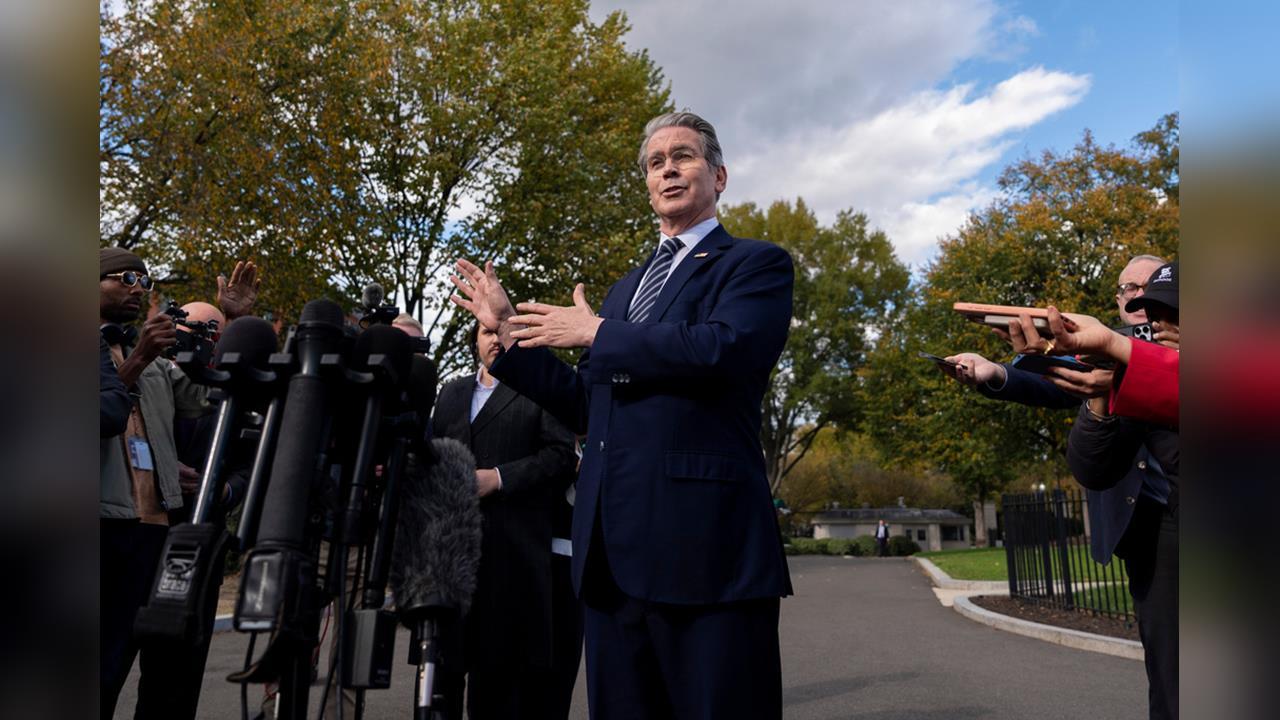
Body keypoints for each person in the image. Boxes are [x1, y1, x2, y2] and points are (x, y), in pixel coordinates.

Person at [450, 111, 793, 719]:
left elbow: (725, 348)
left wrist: (598, 331)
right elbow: (589, 404)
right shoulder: (624, 290)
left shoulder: (755, 264)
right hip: (610, 559)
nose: (668, 170)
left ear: (719, 175)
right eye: (656, 163)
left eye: (682, 156)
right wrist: (507, 336)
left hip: (705, 549)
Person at [941, 255, 1177, 720]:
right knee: (1170, 668)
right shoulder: (1099, 353)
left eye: (1145, 289)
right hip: (1150, 528)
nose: (1134, 298)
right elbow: (1051, 380)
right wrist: (995, 372)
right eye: (1125, 289)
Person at [99, 248, 259, 719]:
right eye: (125, 277)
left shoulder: (148, 361)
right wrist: (141, 356)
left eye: (145, 281)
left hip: (157, 534)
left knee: (168, 681)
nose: (138, 288)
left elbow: (206, 395)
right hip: (103, 534)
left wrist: (230, 326)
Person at [431, 322, 580, 719]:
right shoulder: (451, 392)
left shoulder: (538, 391)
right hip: (449, 563)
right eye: (486, 332)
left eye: (502, 331)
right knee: (437, 682)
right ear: (474, 342)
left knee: (495, 688)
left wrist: (497, 478)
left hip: (512, 562)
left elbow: (563, 457)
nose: (495, 340)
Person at [1064, 261, 1178, 720]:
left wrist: (1116, 350)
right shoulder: (1132, 377)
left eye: (1175, 313)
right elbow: (1091, 467)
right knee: (1172, 678)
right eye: (1154, 314)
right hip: (1163, 538)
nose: (1161, 325)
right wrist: (1099, 395)